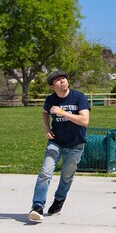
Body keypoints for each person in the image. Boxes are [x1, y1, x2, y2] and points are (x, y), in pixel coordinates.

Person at [28, 70, 91, 222]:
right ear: (52, 86)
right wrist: (47, 128)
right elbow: (44, 112)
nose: (62, 81)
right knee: (45, 173)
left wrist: (62, 112)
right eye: (58, 80)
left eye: (64, 78)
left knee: (66, 177)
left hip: (76, 144)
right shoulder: (50, 100)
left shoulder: (79, 97)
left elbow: (84, 121)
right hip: (56, 143)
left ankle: (59, 200)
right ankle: (37, 207)